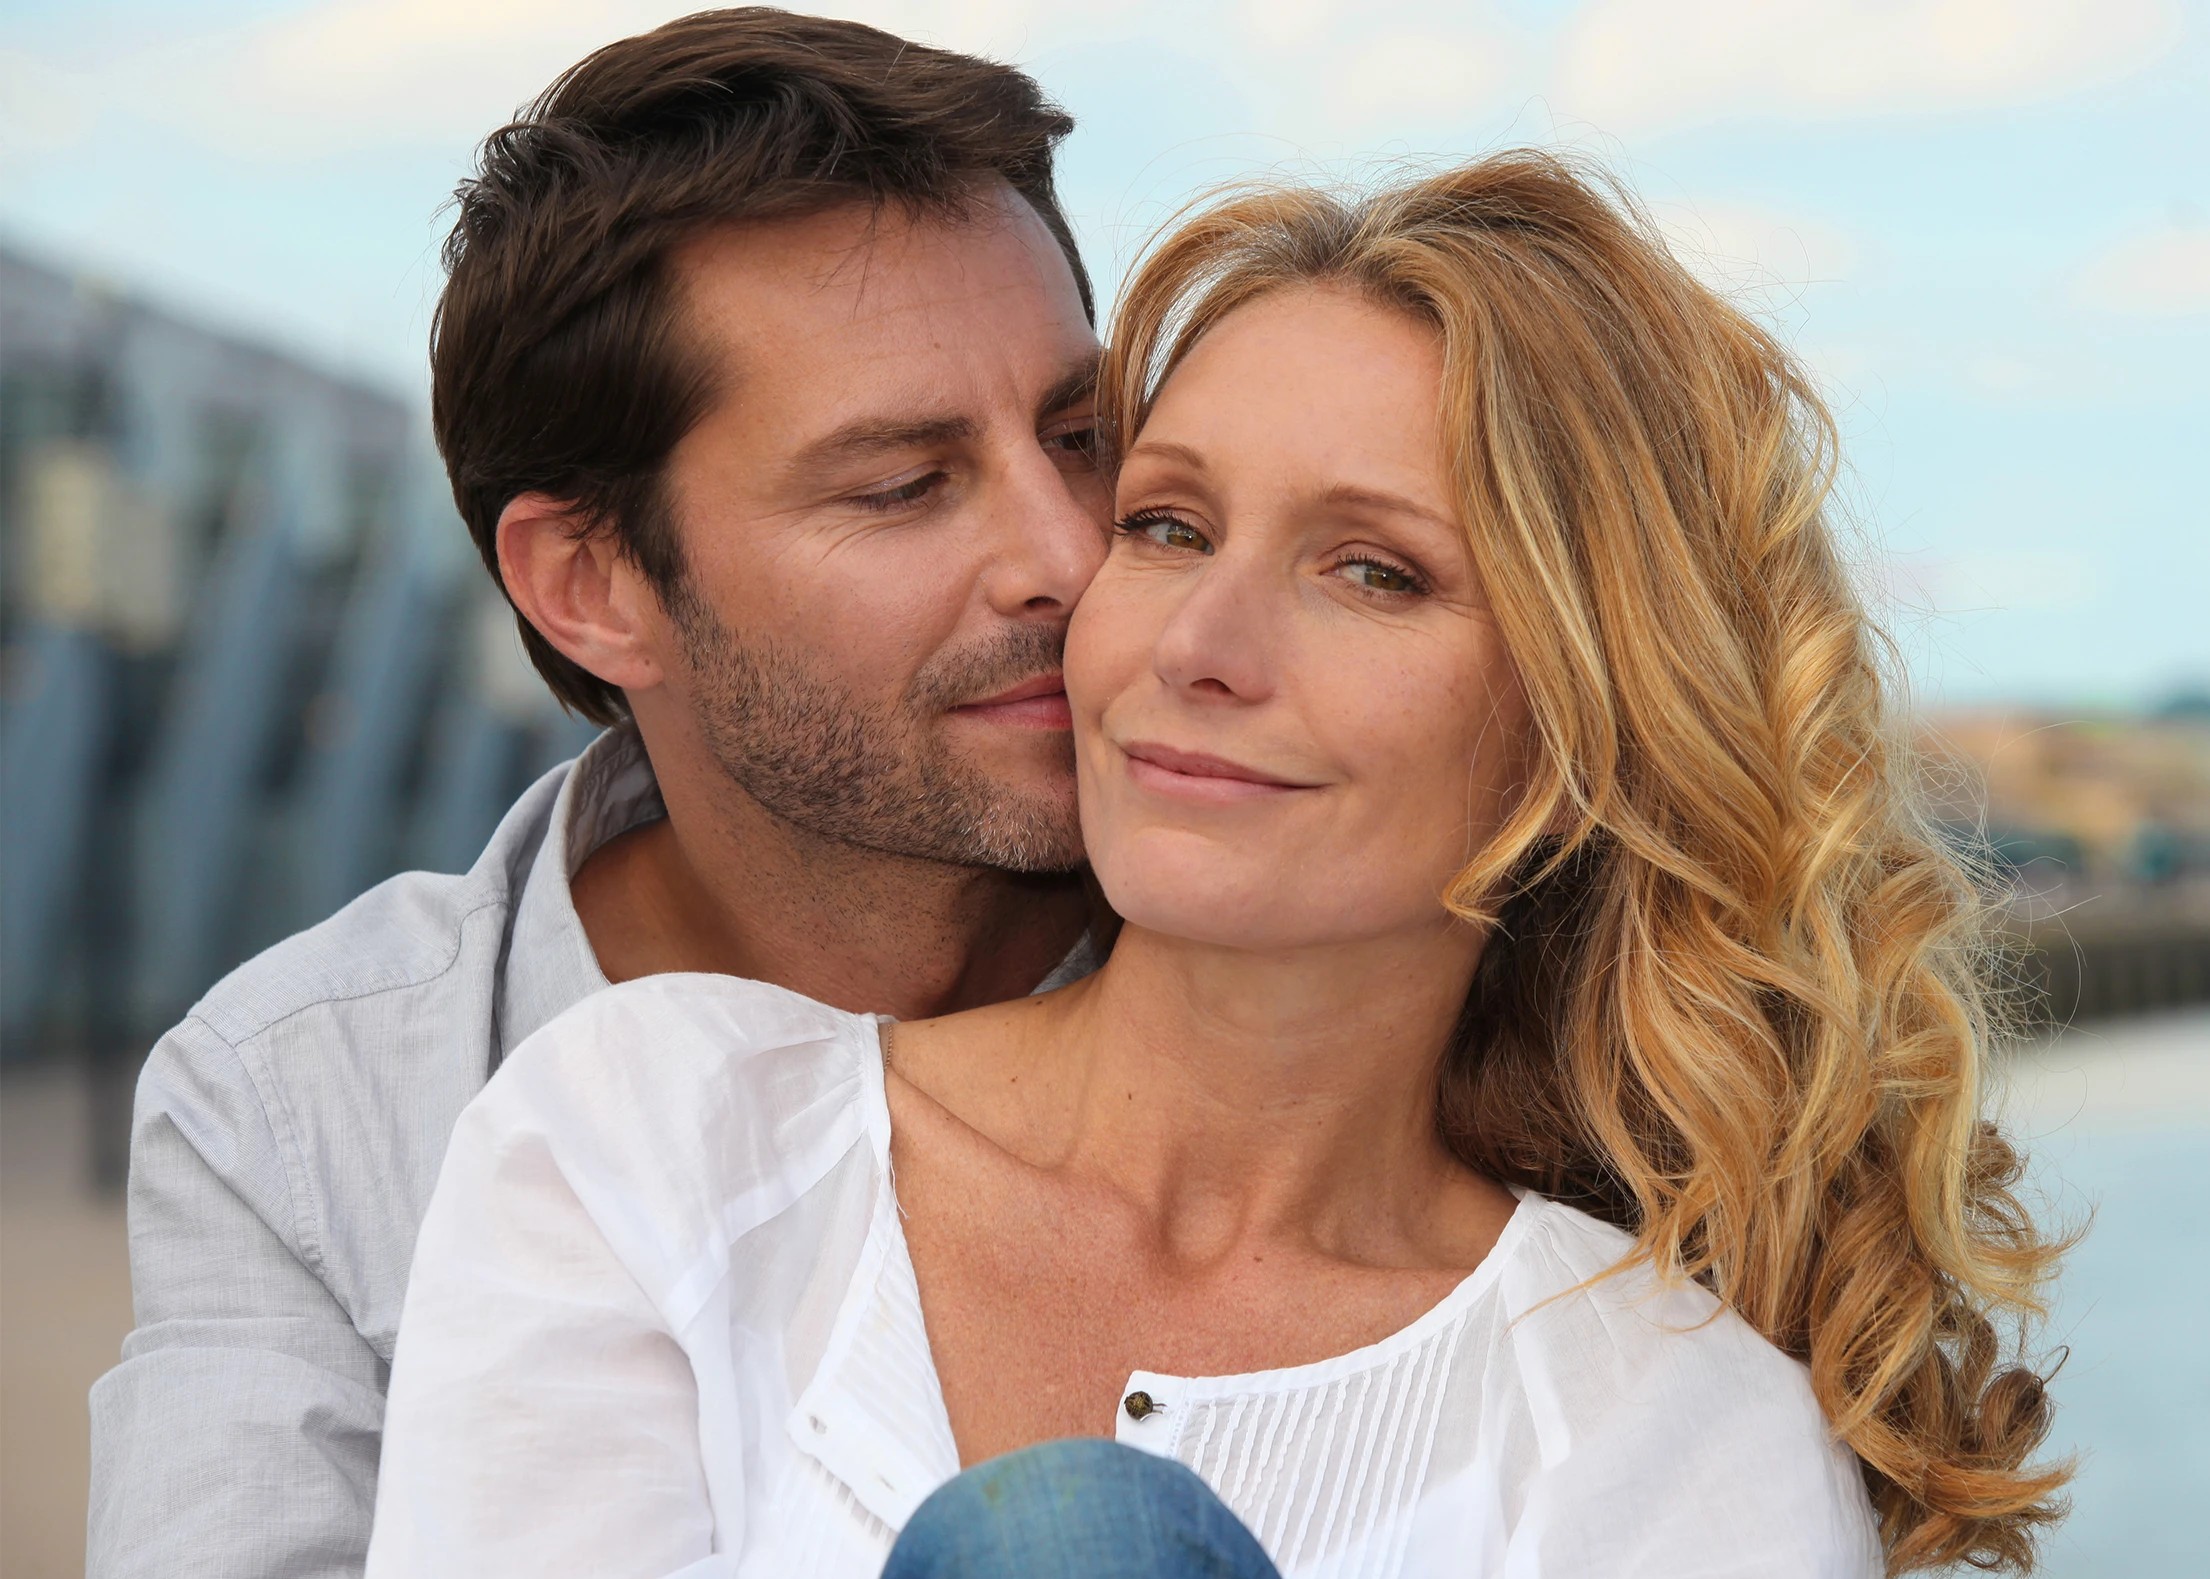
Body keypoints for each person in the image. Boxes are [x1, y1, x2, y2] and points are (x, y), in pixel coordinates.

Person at [362, 154, 2069, 1578]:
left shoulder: (1670, 1432)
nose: (1199, 646)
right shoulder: (654, 1143)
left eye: (1373, 571)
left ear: (1582, 739)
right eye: (1168, 528)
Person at [86, 11, 1117, 1577]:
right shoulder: (311, 1108)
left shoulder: (1367, 973)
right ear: (590, 584)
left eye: (1081, 435)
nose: (1069, 553)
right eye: (903, 485)